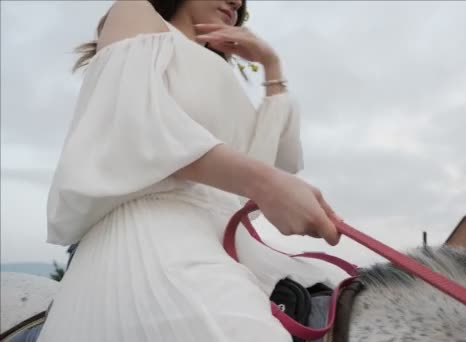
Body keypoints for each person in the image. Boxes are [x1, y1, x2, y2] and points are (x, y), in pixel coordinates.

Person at [38, 1, 342, 341]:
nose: (237, 2)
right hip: (151, 234)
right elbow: (134, 126)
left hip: (230, 244)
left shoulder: (219, 71)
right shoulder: (136, 11)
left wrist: (271, 66)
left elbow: (276, 161)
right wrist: (265, 184)